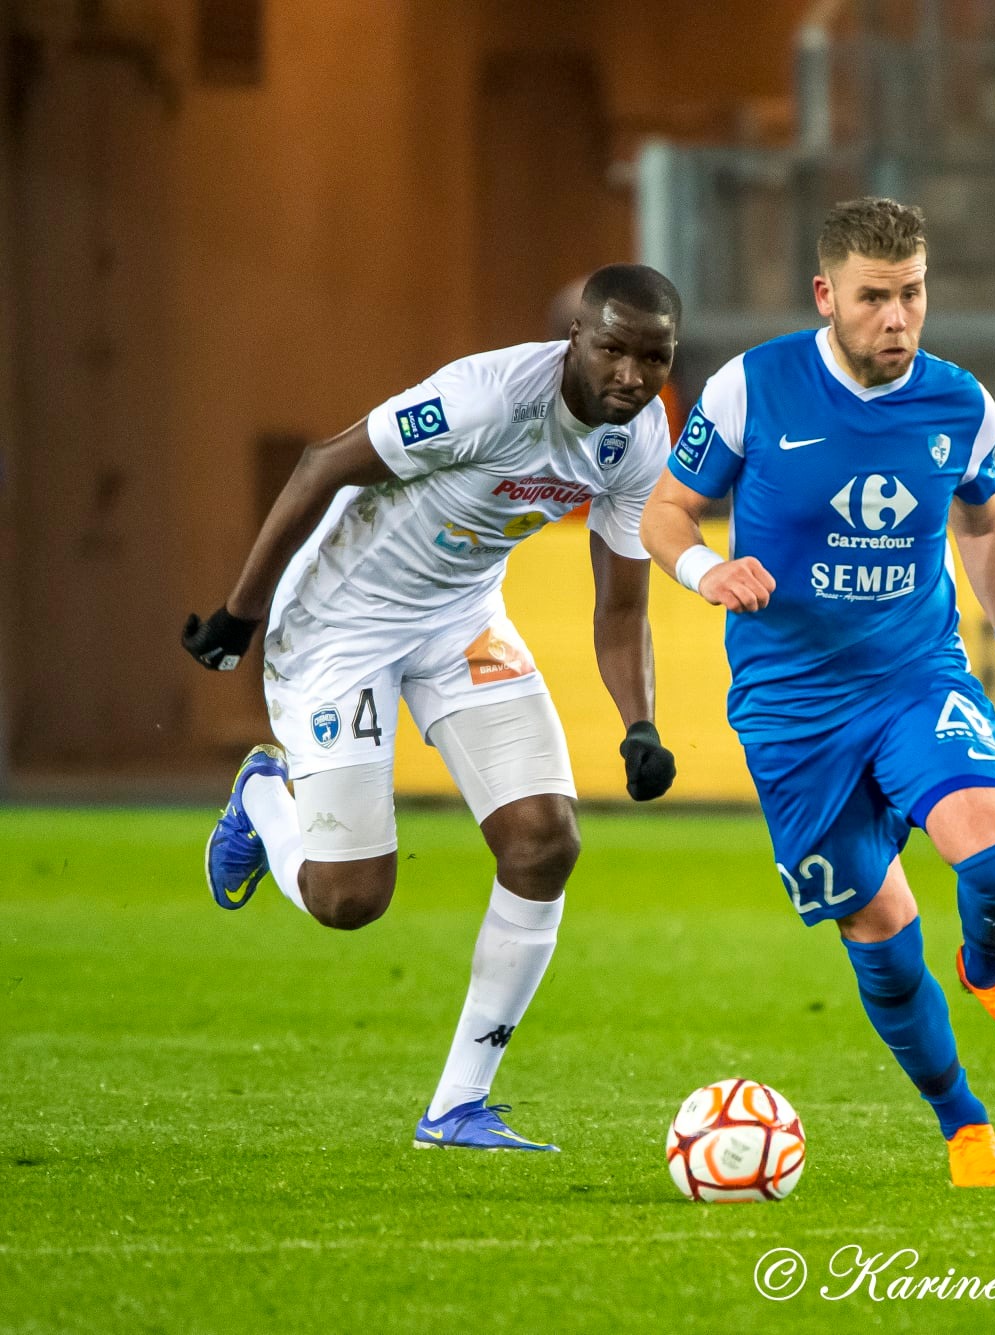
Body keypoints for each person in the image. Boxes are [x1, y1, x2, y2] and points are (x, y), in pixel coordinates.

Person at [181, 264, 684, 1153]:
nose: (632, 376)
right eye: (614, 349)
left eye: (655, 358)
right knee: (349, 900)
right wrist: (239, 614)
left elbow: (620, 608)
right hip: (342, 621)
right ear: (574, 336)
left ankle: (456, 1108)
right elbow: (321, 465)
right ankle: (263, 797)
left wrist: (638, 723)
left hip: (462, 621)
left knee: (545, 841)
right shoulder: (483, 399)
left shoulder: (640, 437)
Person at [641, 198, 995, 1188]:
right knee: (879, 935)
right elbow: (665, 510)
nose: (897, 318)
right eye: (874, 297)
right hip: (792, 709)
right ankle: (962, 1124)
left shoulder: (961, 404)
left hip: (913, 677)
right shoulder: (753, 388)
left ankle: (989, 969)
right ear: (824, 295)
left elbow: (982, 526)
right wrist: (707, 571)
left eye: (912, 294)